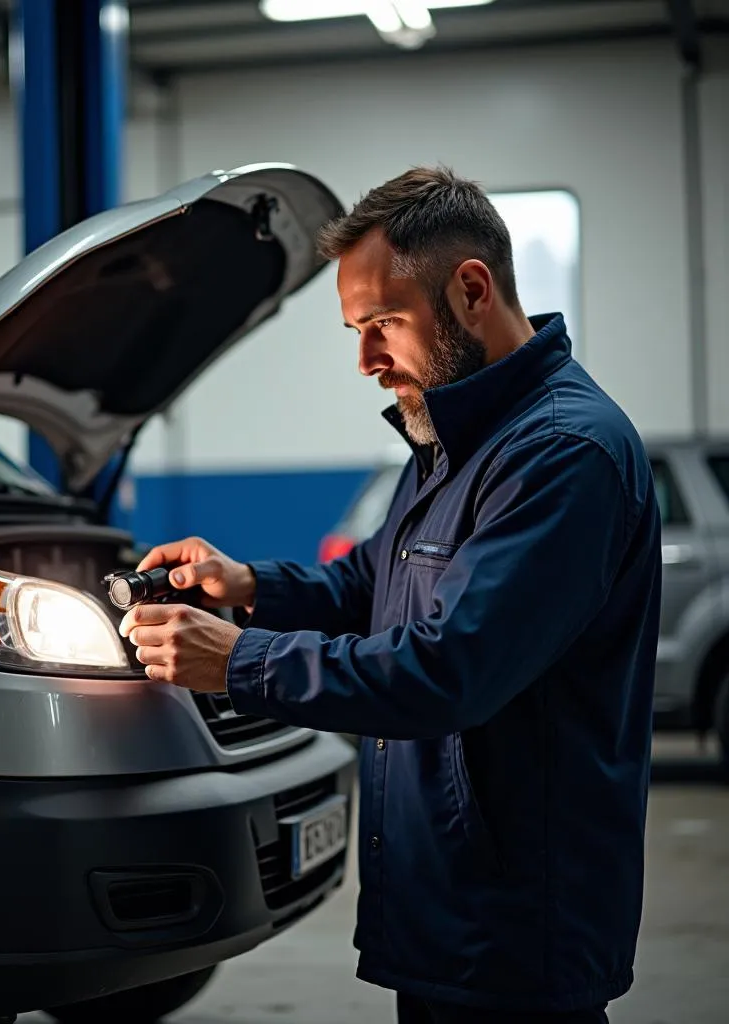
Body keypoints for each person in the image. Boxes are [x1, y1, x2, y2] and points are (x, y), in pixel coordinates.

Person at [119, 167, 662, 1023]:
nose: (367, 360)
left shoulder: (564, 455)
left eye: (383, 324)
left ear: (471, 289)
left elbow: (449, 672)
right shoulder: (451, 443)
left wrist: (238, 662)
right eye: (357, 329)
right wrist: (247, 584)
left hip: (516, 928)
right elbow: (366, 584)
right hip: (445, 907)